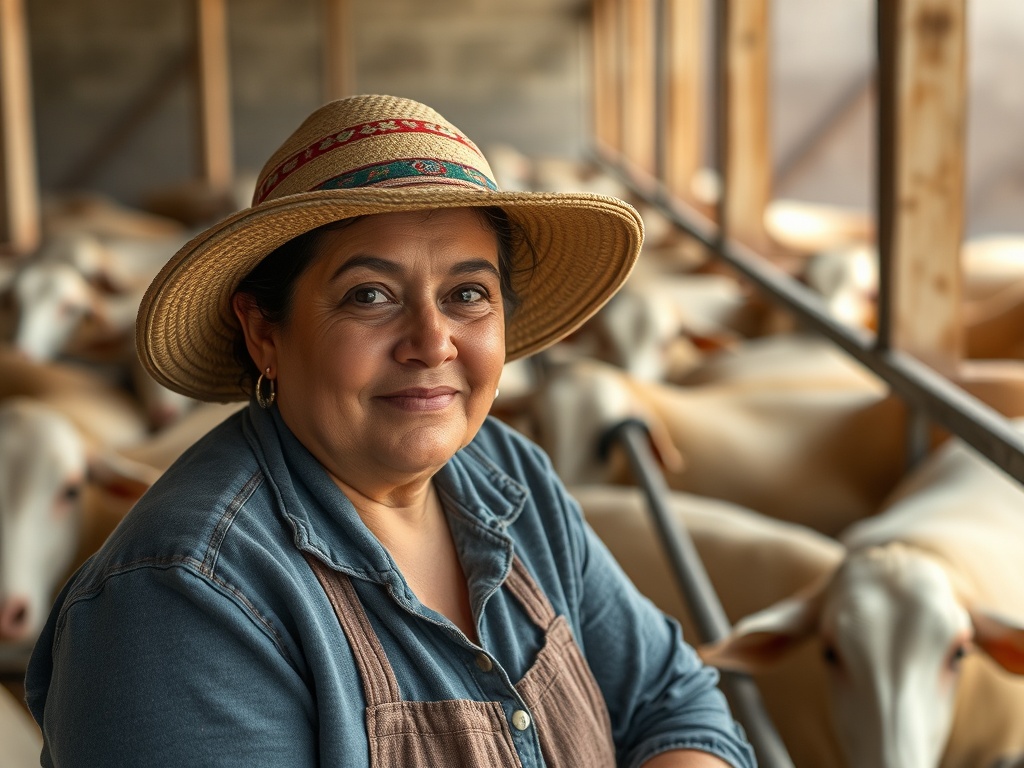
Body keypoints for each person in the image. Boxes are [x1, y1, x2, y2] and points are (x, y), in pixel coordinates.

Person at [26, 94, 756, 767]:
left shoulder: (510, 477)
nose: (432, 342)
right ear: (264, 334)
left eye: (467, 294)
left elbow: (676, 703)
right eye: (369, 295)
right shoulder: (177, 604)